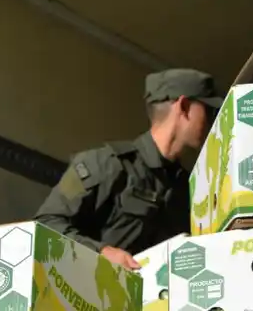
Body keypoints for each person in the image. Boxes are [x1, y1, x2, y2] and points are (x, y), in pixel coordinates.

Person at [35, 68, 223, 270]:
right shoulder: (105, 163)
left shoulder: (190, 189)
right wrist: (101, 252)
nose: (212, 121)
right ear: (184, 106)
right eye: (208, 110)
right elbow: (45, 225)